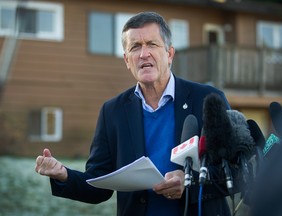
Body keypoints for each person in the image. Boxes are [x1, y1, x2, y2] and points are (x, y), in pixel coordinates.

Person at [35, 11, 235, 216]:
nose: (143, 53)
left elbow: (237, 173)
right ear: (127, 60)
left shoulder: (208, 99)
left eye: (152, 44)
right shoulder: (112, 111)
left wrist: (188, 182)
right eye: (135, 47)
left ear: (169, 54)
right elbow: (99, 185)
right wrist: (64, 175)